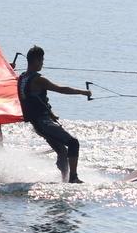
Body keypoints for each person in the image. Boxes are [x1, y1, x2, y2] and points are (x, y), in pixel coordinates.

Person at [18, 45, 91, 182]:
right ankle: (73, 178)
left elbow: (33, 99)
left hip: (38, 123)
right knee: (73, 143)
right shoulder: (38, 79)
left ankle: (65, 179)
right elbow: (60, 89)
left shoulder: (22, 78)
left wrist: (50, 113)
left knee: (63, 151)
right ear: (35, 61)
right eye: (42, 60)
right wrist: (82, 92)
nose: (43, 63)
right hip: (43, 123)